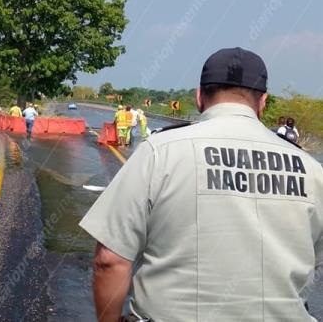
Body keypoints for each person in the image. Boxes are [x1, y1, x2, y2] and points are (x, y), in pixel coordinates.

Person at [79, 47, 323, 321]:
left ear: (199, 97)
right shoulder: (312, 169)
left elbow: (109, 261)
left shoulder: (160, 151)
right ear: (263, 101)